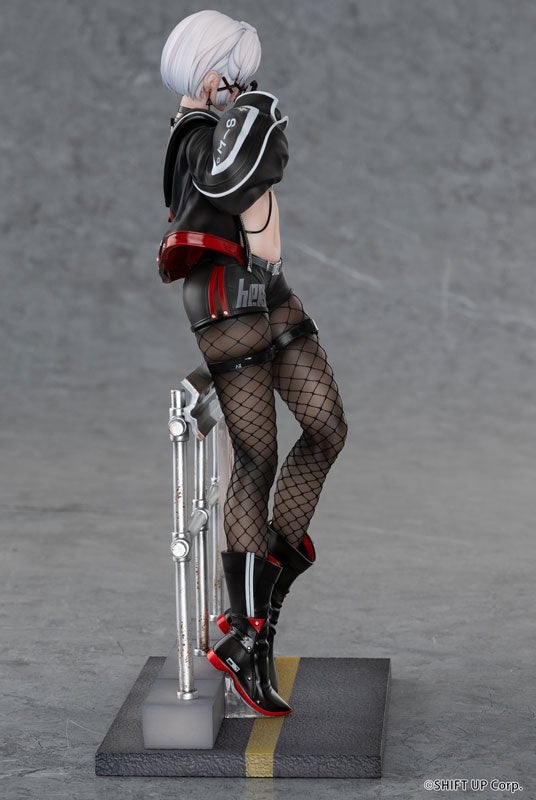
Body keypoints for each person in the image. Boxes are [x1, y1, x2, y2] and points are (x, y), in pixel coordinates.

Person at [159, 10, 347, 716]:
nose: (242, 86)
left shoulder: (223, 128)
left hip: (270, 289)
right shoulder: (195, 137)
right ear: (208, 73)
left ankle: (265, 590)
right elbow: (229, 186)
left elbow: (256, 191)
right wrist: (248, 121)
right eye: (234, 75)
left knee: (326, 427)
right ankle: (245, 633)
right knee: (256, 457)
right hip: (224, 296)